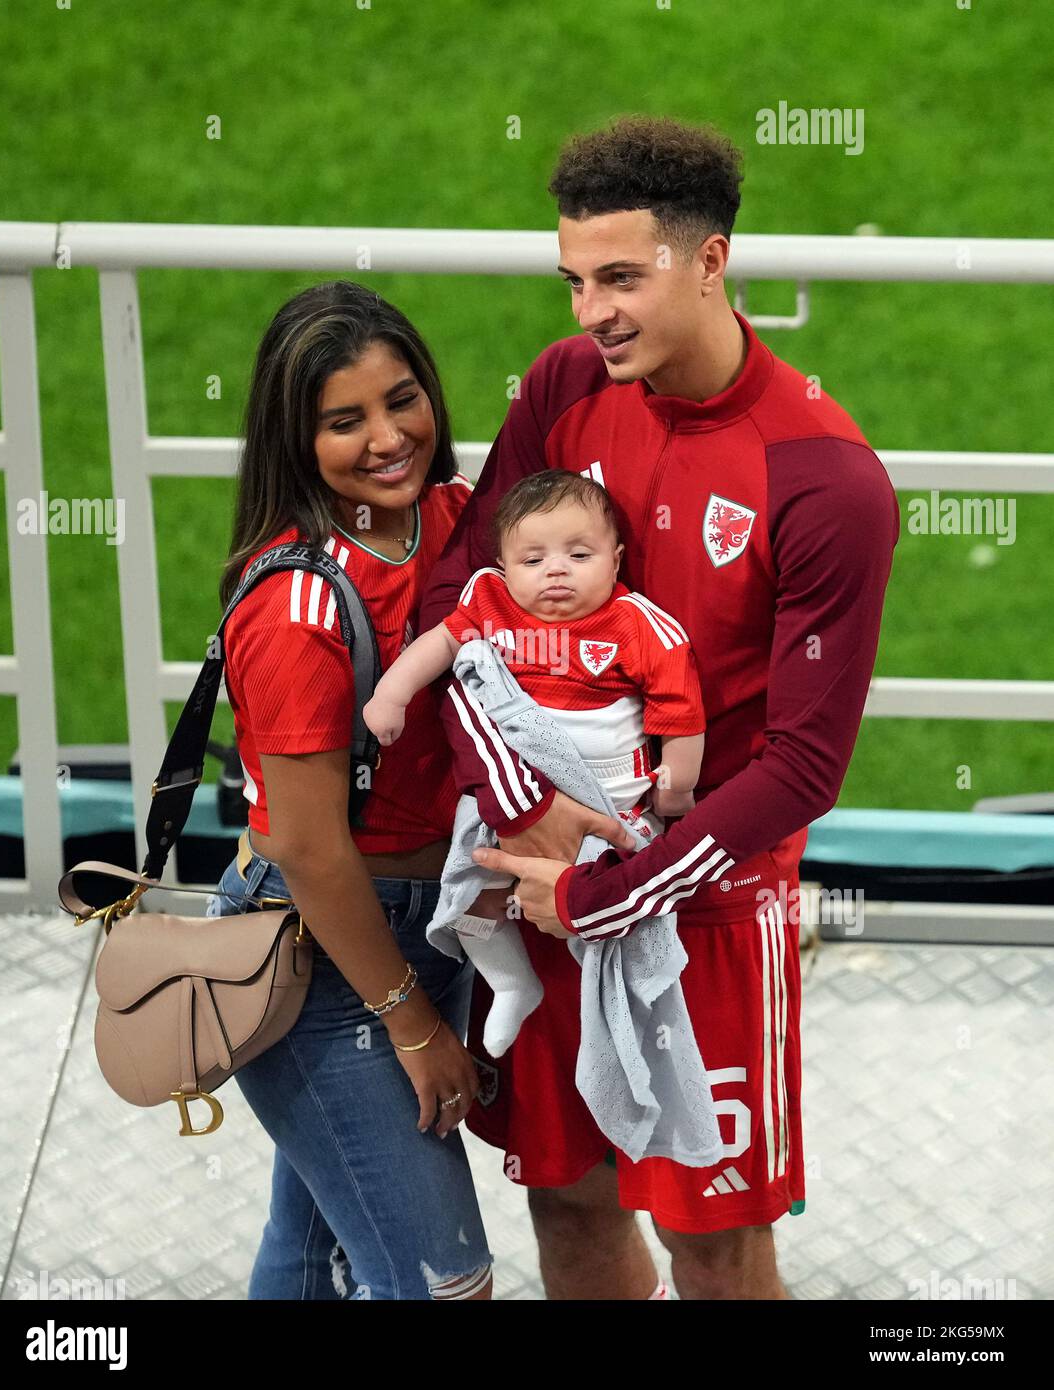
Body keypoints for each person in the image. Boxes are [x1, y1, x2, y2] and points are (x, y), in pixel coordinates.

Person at [417, 115, 901, 1300]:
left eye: (622, 279)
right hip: (542, 864)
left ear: (712, 259)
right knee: (566, 1208)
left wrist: (610, 883)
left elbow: (801, 765)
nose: (592, 312)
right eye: (576, 280)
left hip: (709, 907)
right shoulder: (565, 385)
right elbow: (462, 599)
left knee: (715, 1248)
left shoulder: (825, 479)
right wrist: (530, 815)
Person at [204, 280, 516, 1301]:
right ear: (295, 439)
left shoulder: (457, 520)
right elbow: (309, 847)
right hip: (323, 953)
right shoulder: (294, 602)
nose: (388, 436)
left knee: (314, 1251)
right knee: (439, 1278)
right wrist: (411, 1022)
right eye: (345, 420)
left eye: (403, 397)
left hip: (434, 925)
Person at [363, 468, 705, 1058]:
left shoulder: (640, 624)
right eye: (533, 559)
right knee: (471, 898)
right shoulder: (490, 603)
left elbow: (680, 712)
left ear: (616, 560)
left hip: (610, 800)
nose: (556, 570)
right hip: (508, 797)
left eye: (579, 554)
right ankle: (511, 981)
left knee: (613, 907)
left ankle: (620, 1002)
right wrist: (392, 693)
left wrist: (677, 789)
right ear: (502, 565)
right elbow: (440, 646)